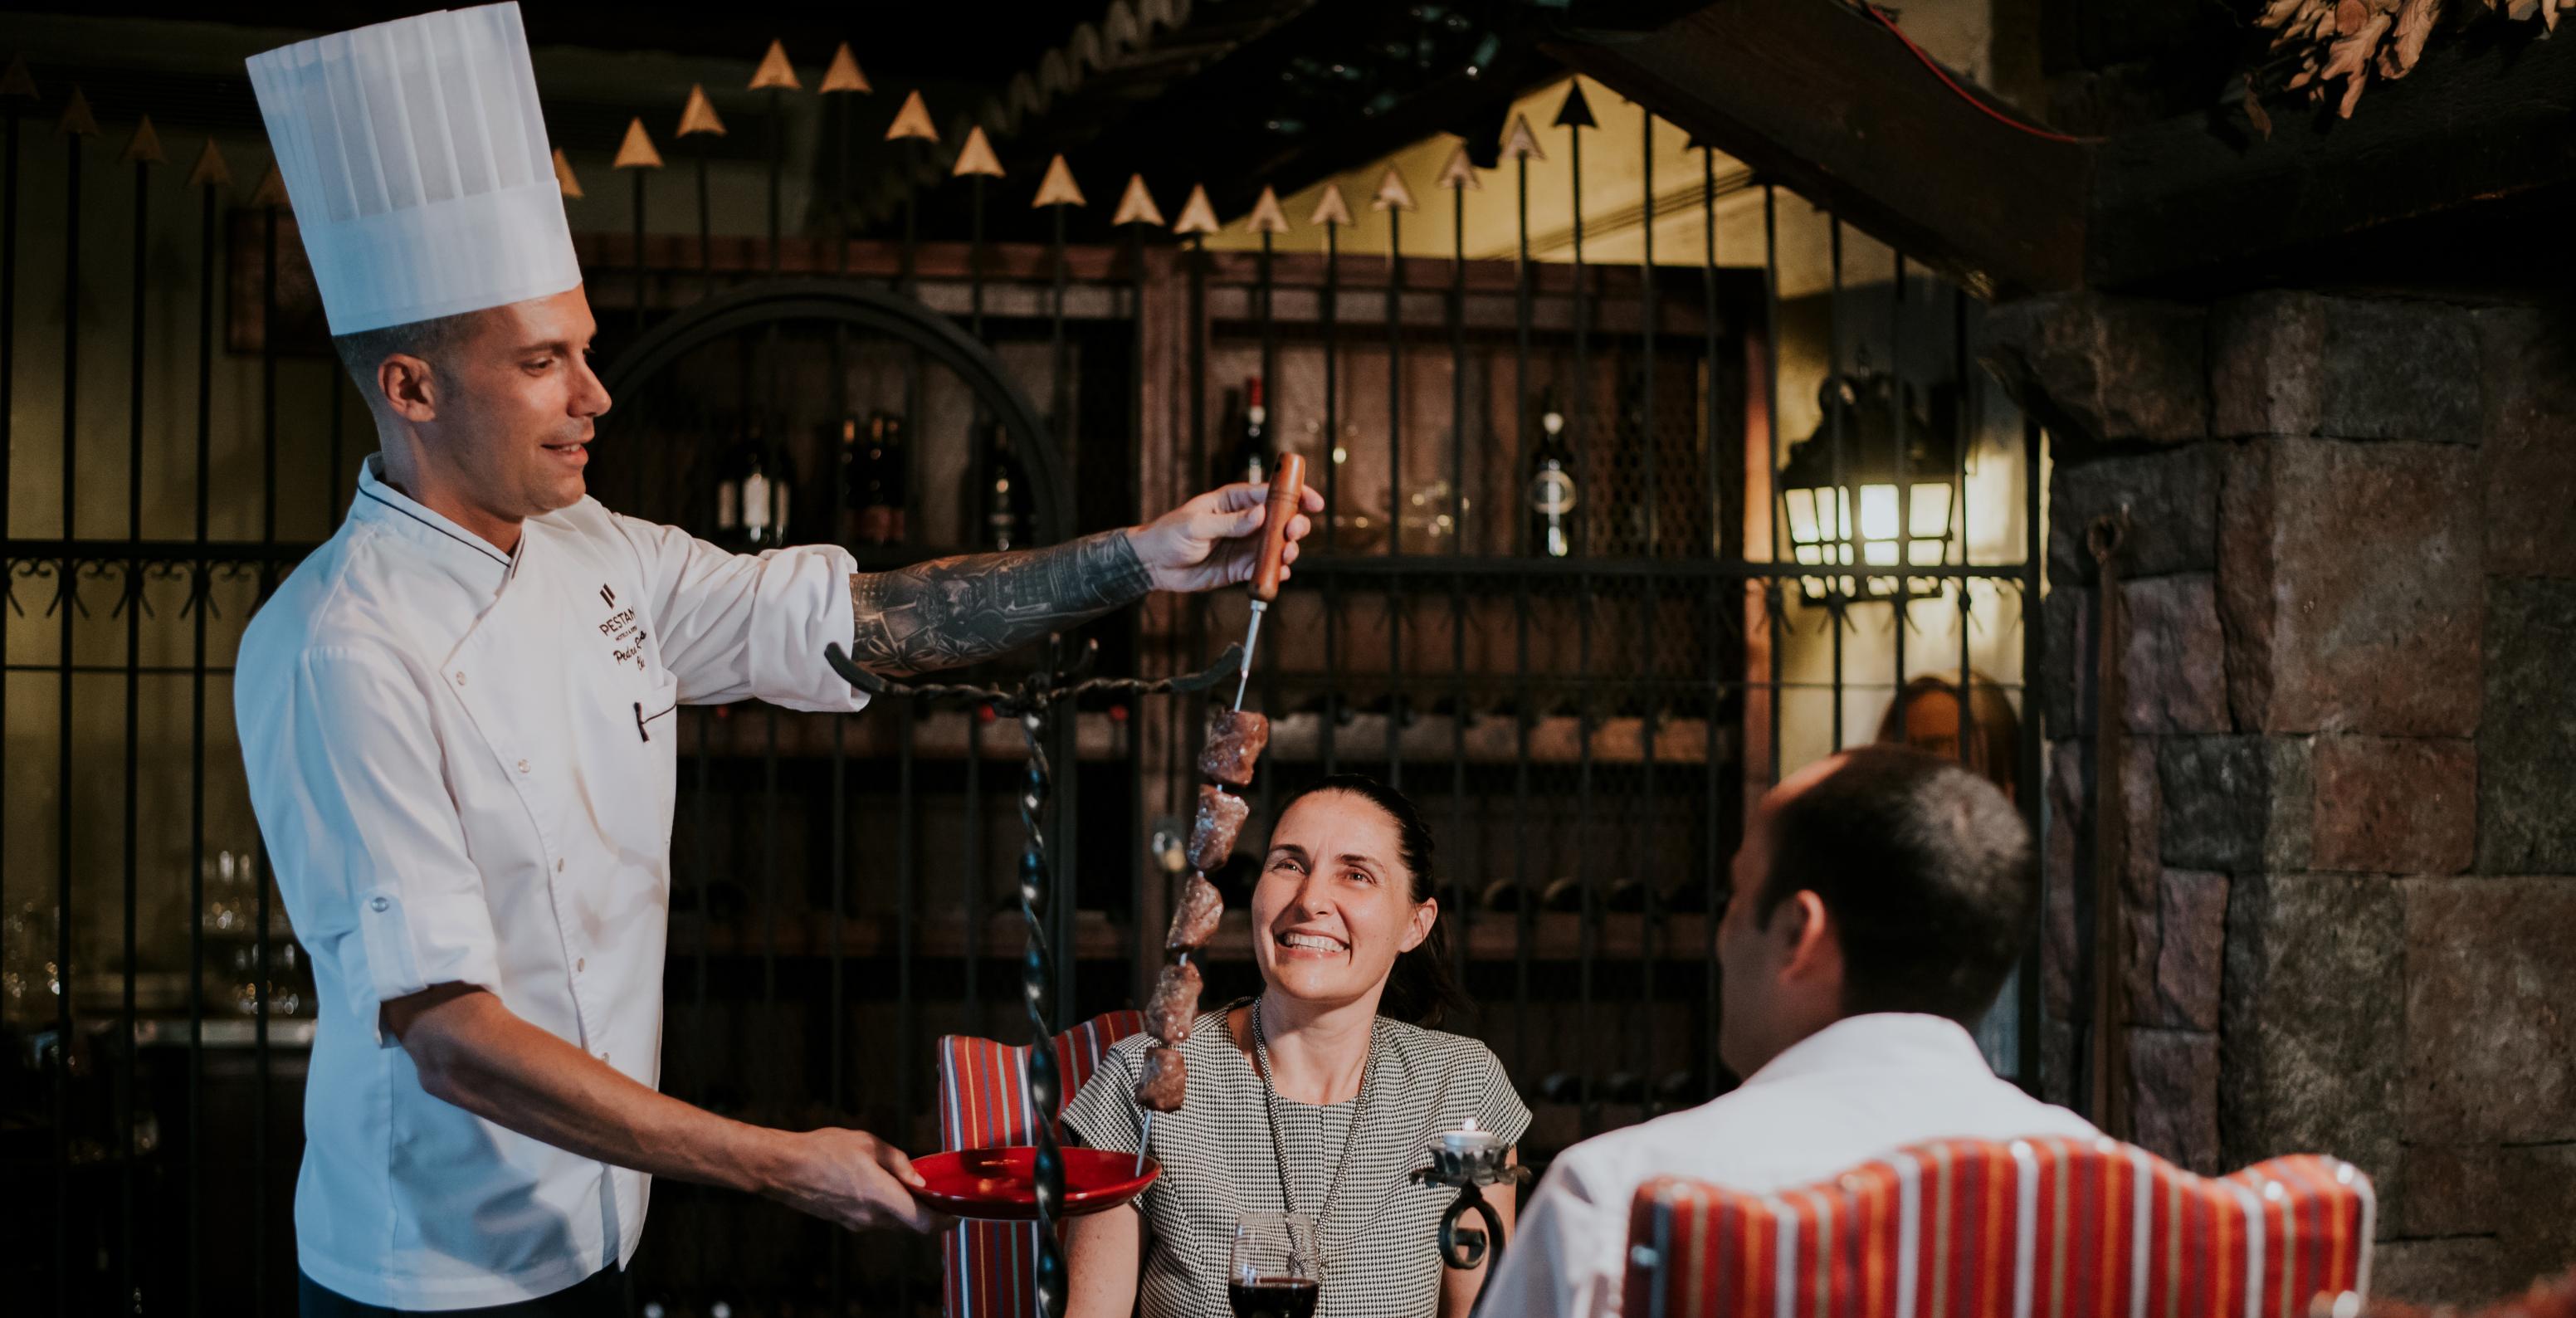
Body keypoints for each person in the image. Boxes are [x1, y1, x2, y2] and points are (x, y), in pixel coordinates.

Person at [232, 8, 1317, 1315]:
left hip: (600, 1231)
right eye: (542, 362)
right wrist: (773, 1163)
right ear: (412, 389)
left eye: (585, 349)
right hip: (431, 1276)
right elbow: (451, 1038)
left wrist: (1141, 558)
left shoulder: (596, 550)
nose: (596, 394)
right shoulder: (344, 648)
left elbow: (863, 619)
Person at [1477, 744, 2095, 1318]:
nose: (1722, 937)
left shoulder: (1620, 1195)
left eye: (1736, 897)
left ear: (1799, 932)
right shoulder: (2101, 1193)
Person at [1060, 775, 1527, 1318]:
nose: (1310, 901)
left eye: (1356, 875)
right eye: (1289, 864)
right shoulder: (1149, 1077)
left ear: (1415, 925)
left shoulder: (1463, 1086)